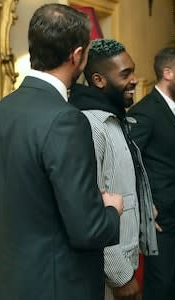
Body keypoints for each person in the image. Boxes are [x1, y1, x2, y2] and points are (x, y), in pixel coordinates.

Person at [0, 4, 123, 300]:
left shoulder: (1, 111)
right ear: (77, 56)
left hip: (12, 284)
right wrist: (112, 209)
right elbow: (89, 230)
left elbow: (4, 198)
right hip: (58, 286)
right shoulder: (66, 120)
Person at [68, 38, 158, 300]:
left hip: (125, 258)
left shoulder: (114, 116)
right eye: (125, 74)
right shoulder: (90, 125)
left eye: (133, 70)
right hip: (107, 272)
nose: (134, 80)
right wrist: (121, 276)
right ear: (98, 80)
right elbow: (91, 205)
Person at [127, 47, 175, 300]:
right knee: (160, 286)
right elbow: (125, 160)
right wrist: (142, 205)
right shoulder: (145, 111)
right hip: (158, 218)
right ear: (167, 73)